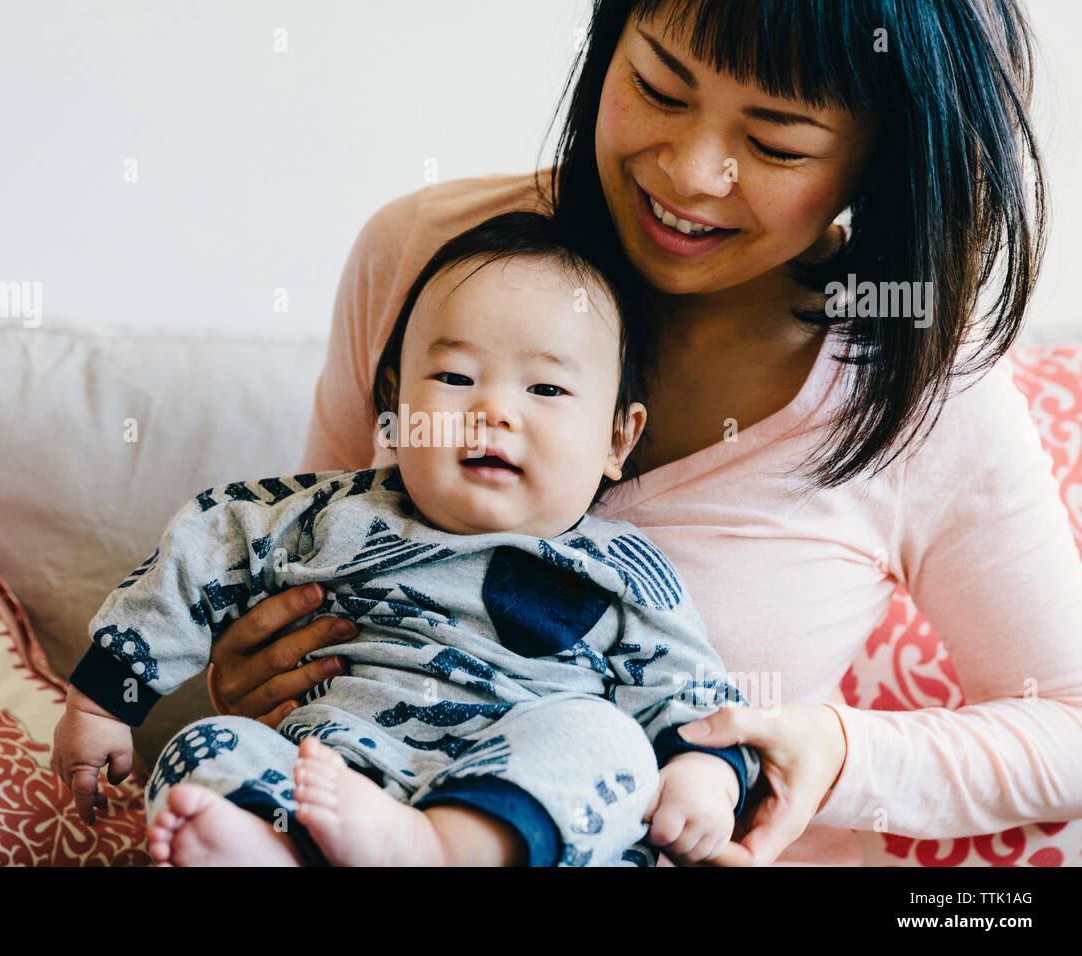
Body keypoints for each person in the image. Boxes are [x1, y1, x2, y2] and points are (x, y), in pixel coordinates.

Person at [194, 0, 1082, 866]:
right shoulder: (424, 253)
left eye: (775, 143)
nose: (692, 171)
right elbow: (303, 552)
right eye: (659, 87)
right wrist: (246, 663)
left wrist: (839, 754)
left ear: (876, 162)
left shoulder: (923, 383)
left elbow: (1071, 723)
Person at [54, 210, 764, 867]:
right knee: (208, 749)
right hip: (331, 780)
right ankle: (276, 854)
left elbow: (692, 696)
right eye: (456, 378)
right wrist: (103, 702)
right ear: (394, 407)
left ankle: (436, 846)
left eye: (545, 390)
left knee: (608, 745)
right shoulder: (329, 517)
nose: (493, 411)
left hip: (516, 814)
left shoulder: (622, 569)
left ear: (618, 437)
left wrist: (706, 779)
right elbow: (206, 545)